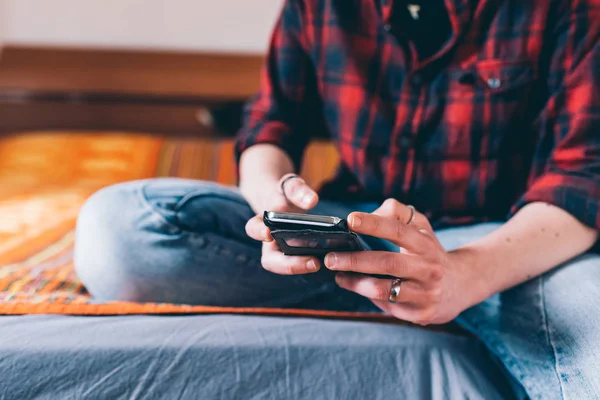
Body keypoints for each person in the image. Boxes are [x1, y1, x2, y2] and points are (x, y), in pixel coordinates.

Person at [74, 0, 600, 397]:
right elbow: (269, 128)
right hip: (347, 227)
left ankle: (454, 299)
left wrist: (465, 274)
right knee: (116, 230)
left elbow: (583, 177)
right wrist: (272, 202)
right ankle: (398, 293)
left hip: (510, 246)